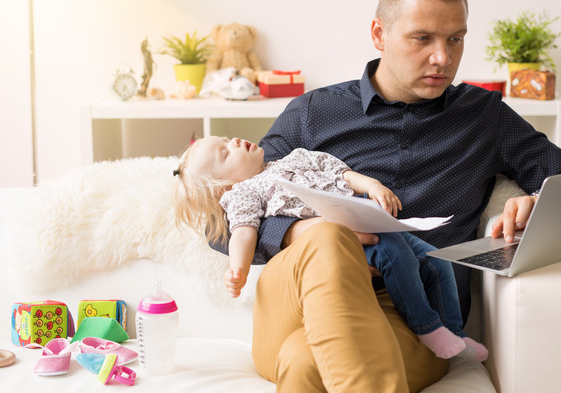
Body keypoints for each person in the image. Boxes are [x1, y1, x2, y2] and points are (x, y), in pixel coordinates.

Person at [209, 0, 561, 392]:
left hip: (416, 318)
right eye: (422, 38)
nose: (442, 58)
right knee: (327, 237)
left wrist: (538, 203)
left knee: (303, 361)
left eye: (456, 39)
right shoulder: (314, 113)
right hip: (295, 301)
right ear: (379, 35)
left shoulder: (485, 117)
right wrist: (304, 233)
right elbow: (218, 216)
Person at [173, 136, 488, 361]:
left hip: (367, 214)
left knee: (437, 262)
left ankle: (455, 334)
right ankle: (427, 327)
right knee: (398, 257)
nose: (235, 142)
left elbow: (342, 173)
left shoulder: (294, 157)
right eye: (225, 154)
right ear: (225, 188)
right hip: (340, 238)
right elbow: (243, 232)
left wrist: (373, 186)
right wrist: (237, 269)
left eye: (227, 139)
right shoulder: (244, 192)